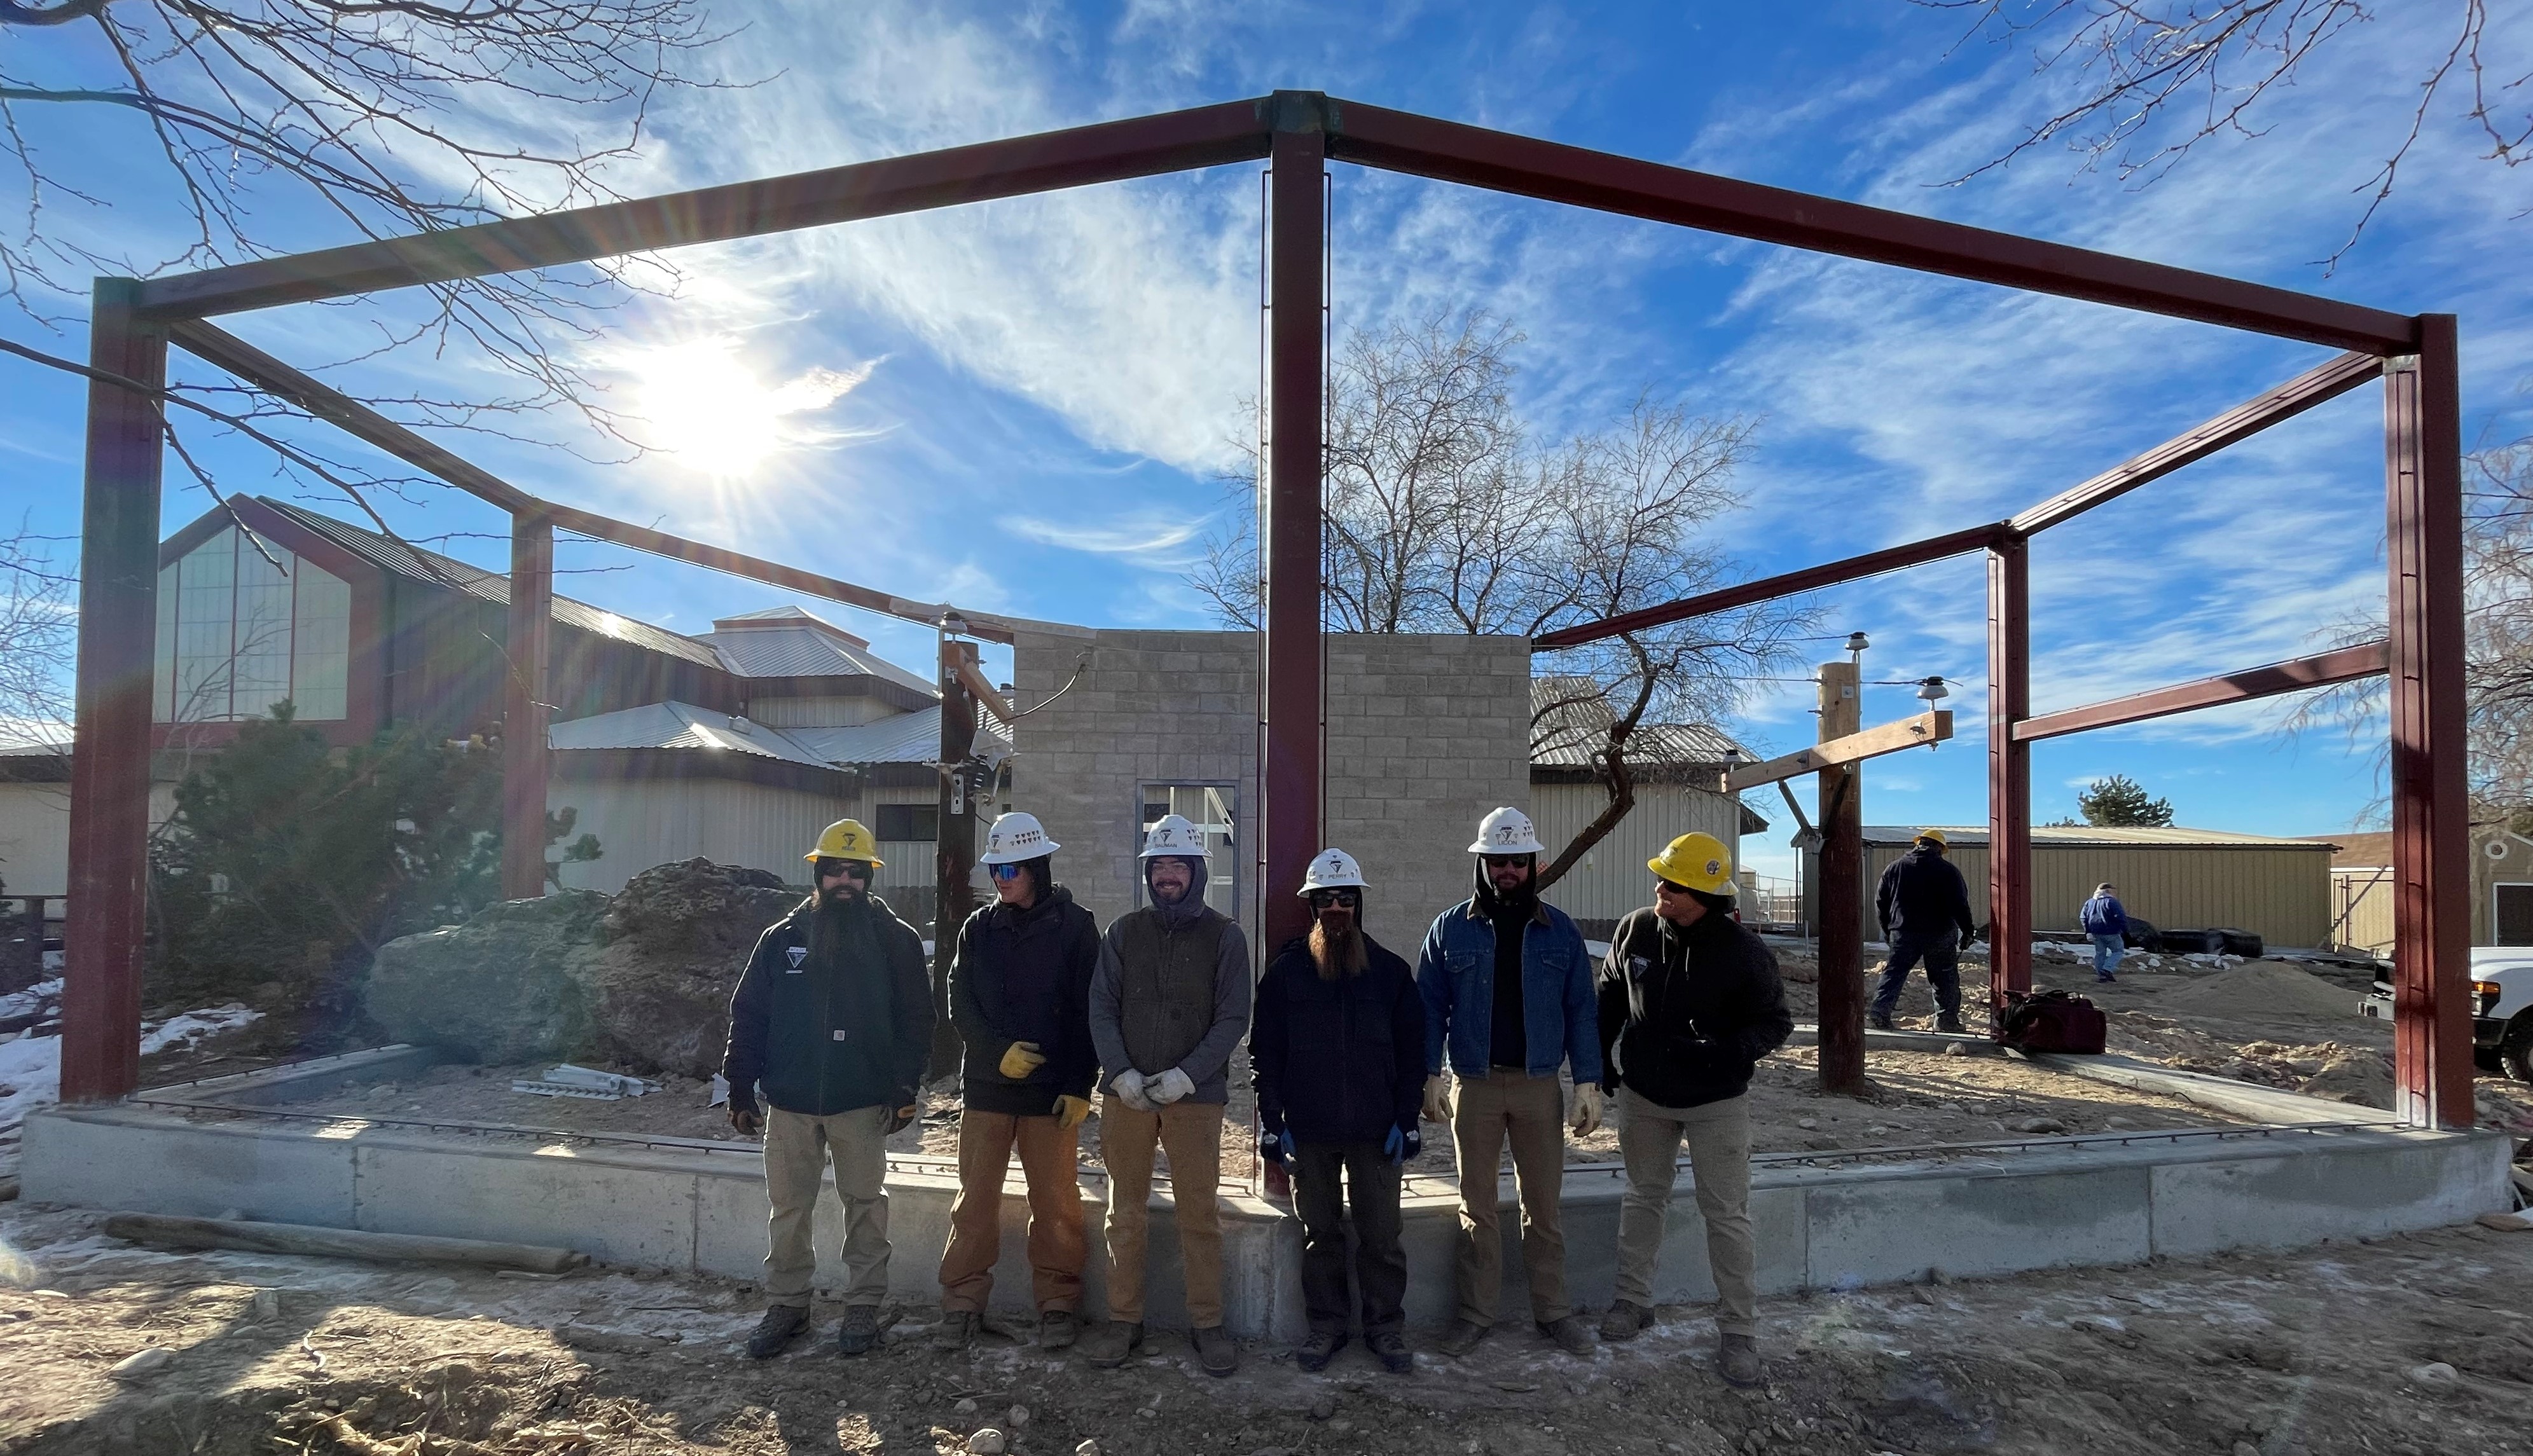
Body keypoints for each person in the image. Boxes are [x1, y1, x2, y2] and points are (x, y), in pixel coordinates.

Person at [721, 818, 934, 1359]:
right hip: (789, 1102)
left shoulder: (896, 941)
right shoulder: (781, 939)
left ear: (869, 877)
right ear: (816, 874)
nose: (845, 881)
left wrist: (906, 1084)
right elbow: (748, 1014)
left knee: (865, 1205)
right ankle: (788, 1305)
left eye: (855, 872)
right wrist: (739, 1087)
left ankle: (862, 1306)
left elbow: (918, 1020)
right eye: (834, 870)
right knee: (788, 1208)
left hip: (862, 1100)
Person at [1595, 832, 1792, 1389]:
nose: (1661, 890)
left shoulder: (1744, 953)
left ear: (1707, 896)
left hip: (1716, 1103)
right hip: (1644, 1095)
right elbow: (1610, 992)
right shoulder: (1635, 929)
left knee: (1726, 1214)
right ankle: (1632, 1303)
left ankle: (1738, 1330)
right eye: (1660, 879)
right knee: (1642, 1199)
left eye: (1675, 885)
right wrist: (1601, 1059)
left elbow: (1774, 1023)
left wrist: (1727, 1051)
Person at [1415, 806, 1603, 1359]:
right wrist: (1428, 1072)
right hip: (1472, 1085)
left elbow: (1581, 1012)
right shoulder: (1449, 928)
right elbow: (1428, 1007)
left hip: (1537, 1086)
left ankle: (1554, 1313)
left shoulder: (1560, 932)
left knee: (1542, 1208)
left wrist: (1587, 1083)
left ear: (1533, 864)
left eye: (1517, 862)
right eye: (1497, 862)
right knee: (1475, 1205)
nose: (1508, 872)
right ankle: (1475, 1315)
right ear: (1482, 863)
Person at [1079, 814, 1252, 1376]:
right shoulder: (1124, 932)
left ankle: (1207, 1324)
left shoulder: (1225, 935)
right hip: (1125, 1096)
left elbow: (1232, 1017)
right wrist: (1121, 1072)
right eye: (1159, 866)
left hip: (1195, 1099)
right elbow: (1101, 1007)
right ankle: (1123, 1321)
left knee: (1199, 1213)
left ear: (1198, 870)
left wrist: (1188, 1074)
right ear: (1148, 873)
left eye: (1179, 865)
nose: (1168, 876)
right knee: (1123, 1212)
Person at [1253, 848, 1425, 1376]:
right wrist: (1272, 1122)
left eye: (1345, 899)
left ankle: (1384, 1329)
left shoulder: (1391, 974)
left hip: (1377, 1133)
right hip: (1309, 1134)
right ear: (1311, 907)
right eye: (1325, 900)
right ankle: (1326, 1326)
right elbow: (1266, 1055)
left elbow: (1413, 1053)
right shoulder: (1285, 976)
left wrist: (1407, 1118)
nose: (1336, 909)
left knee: (1381, 1238)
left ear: (1358, 904)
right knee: (1321, 1236)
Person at [937, 811, 1100, 1351]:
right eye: (996, 870)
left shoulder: (1077, 928)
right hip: (987, 1091)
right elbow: (960, 1001)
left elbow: (1088, 1011)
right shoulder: (978, 929)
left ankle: (1057, 1306)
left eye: (1012, 869)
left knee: (1055, 1204)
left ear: (1037, 867)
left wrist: (1080, 1083)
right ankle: (962, 1303)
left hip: (1050, 1096)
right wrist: (994, 1053)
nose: (1002, 879)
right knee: (975, 1203)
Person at [1871, 828, 1980, 1033]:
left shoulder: (1894, 869)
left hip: (1902, 932)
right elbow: (1959, 905)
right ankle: (1946, 1022)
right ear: (1939, 848)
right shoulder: (1948, 871)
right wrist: (1967, 931)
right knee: (1944, 978)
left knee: (1894, 974)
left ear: (1918, 843)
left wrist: (1887, 930)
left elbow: (1881, 903)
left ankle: (1879, 1013)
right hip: (1939, 933)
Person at [2080, 883, 2129, 983]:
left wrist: (2088, 931)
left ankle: (2101, 975)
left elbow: (2083, 917)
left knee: (2100, 953)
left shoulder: (2090, 902)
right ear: (2108, 891)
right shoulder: (2112, 902)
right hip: (2111, 932)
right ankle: (2107, 969)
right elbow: (2121, 917)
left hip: (2095, 933)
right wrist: (2126, 931)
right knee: (2118, 951)